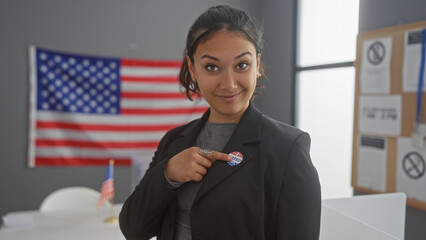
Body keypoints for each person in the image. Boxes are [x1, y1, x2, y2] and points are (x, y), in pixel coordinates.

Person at [119, 5, 321, 240]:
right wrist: (168, 174)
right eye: (212, 67)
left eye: (241, 65)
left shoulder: (287, 148)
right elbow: (133, 229)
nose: (229, 83)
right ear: (193, 69)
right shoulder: (174, 141)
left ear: (257, 65)